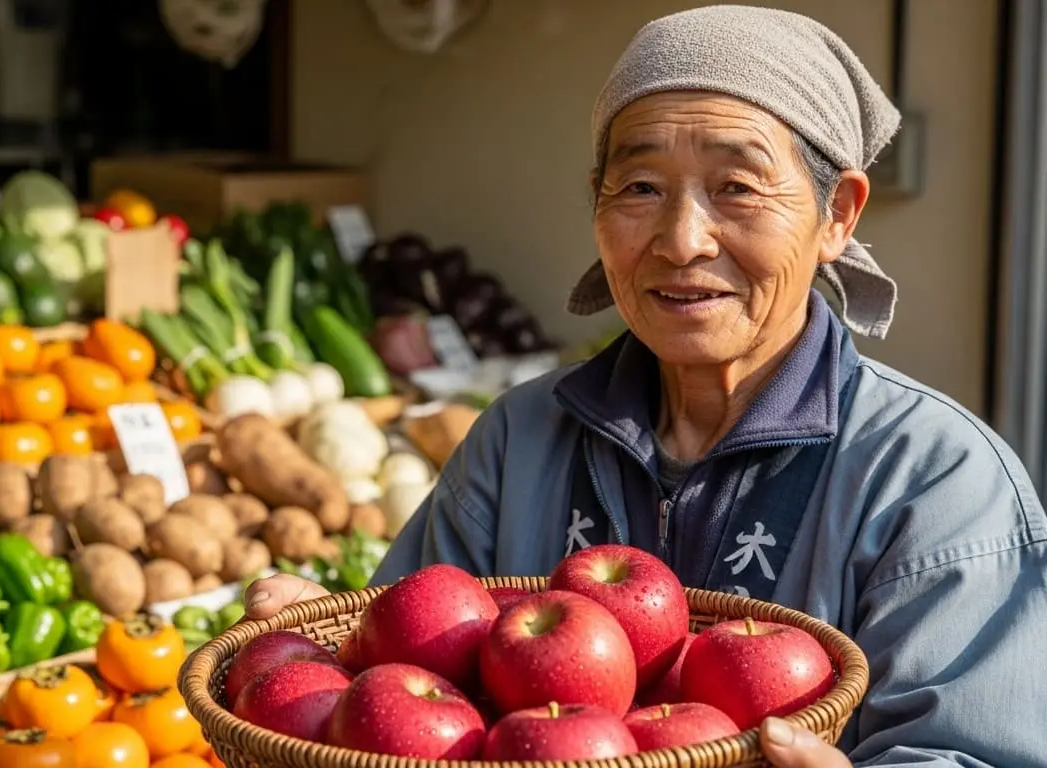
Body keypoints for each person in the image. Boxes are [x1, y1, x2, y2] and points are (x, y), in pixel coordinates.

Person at [244, 5, 1047, 767]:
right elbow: (405, 691)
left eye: (736, 187)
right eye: (639, 189)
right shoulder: (519, 438)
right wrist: (318, 657)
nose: (681, 241)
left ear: (837, 213)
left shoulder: (938, 480)